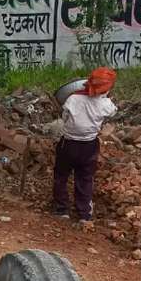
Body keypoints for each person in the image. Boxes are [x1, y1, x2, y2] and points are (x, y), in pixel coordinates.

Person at [52, 66, 117, 225]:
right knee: (85, 178)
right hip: (89, 145)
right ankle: (84, 214)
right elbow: (112, 112)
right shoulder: (106, 105)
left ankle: (62, 210)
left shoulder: (73, 99)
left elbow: (65, 117)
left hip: (68, 144)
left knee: (61, 175)